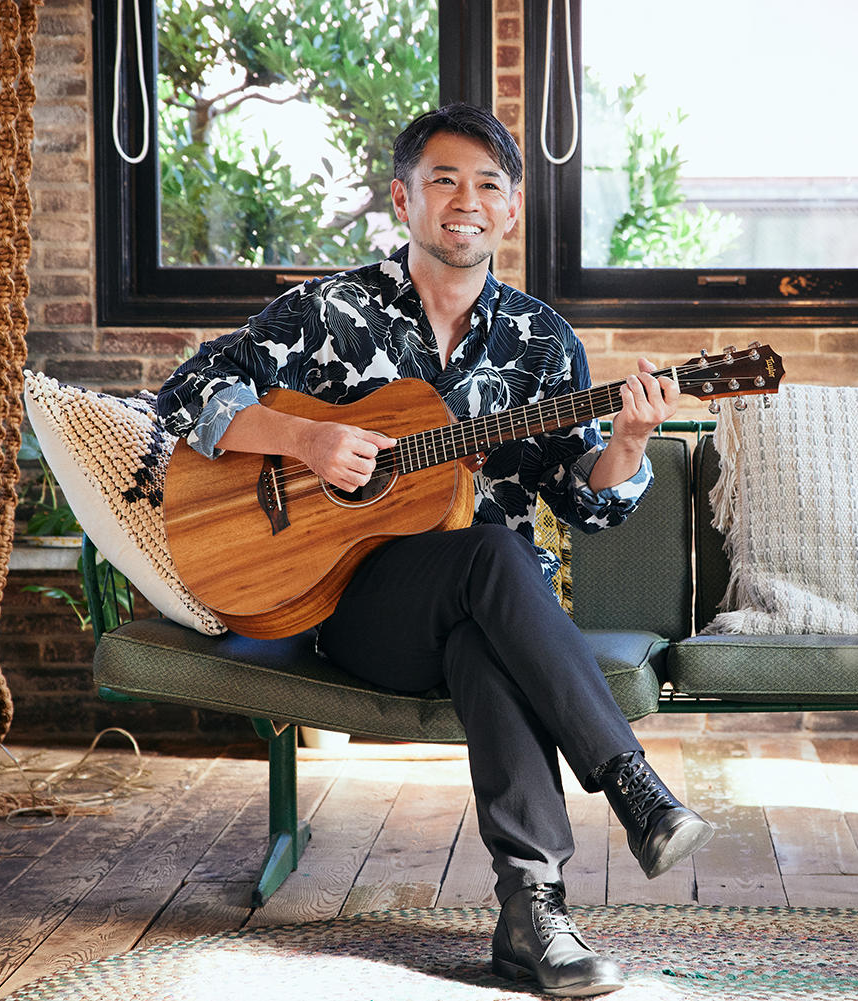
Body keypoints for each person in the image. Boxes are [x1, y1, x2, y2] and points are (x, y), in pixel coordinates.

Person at [156, 103, 713, 997]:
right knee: (493, 556)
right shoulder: (329, 312)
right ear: (402, 198)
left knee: (484, 624)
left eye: (489, 184)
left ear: (512, 210)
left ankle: (534, 916)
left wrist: (631, 440)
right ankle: (631, 784)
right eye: (444, 179)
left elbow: (587, 500)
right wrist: (305, 440)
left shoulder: (543, 342)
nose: (466, 200)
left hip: (492, 619)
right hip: (353, 608)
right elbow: (186, 391)